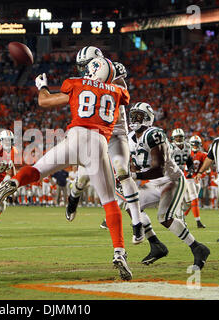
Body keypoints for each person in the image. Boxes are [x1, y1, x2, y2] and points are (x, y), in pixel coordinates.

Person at [0, 56, 134, 281]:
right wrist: (116, 77)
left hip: (74, 138)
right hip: (97, 143)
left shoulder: (75, 83)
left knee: (37, 170)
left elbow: (45, 102)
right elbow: (123, 93)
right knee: (109, 202)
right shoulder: (117, 91)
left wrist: (42, 86)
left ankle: (13, 182)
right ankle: (119, 252)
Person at [66, 47, 143, 244]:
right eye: (82, 67)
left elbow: (125, 94)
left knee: (123, 172)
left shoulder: (113, 72)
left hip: (116, 132)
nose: (85, 70)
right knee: (83, 178)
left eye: (87, 65)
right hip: (95, 132)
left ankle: (137, 224)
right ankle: (74, 196)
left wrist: (113, 78)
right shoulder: (85, 80)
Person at [128, 102, 210, 270]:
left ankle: (198, 248)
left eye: (139, 116)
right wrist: (127, 175)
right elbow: (135, 164)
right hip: (154, 182)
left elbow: (158, 169)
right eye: (133, 115)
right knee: (132, 206)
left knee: (164, 217)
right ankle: (156, 245)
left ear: (148, 118)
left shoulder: (154, 134)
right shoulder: (129, 138)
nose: (134, 119)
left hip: (171, 179)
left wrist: (134, 175)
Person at [183, 135, 206, 228]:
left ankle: (182, 218)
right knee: (194, 199)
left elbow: (205, 169)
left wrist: (200, 175)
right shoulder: (186, 153)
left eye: (197, 144)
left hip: (196, 179)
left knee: (190, 202)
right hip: (188, 179)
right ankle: (198, 222)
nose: (195, 145)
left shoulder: (203, 155)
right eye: (194, 144)